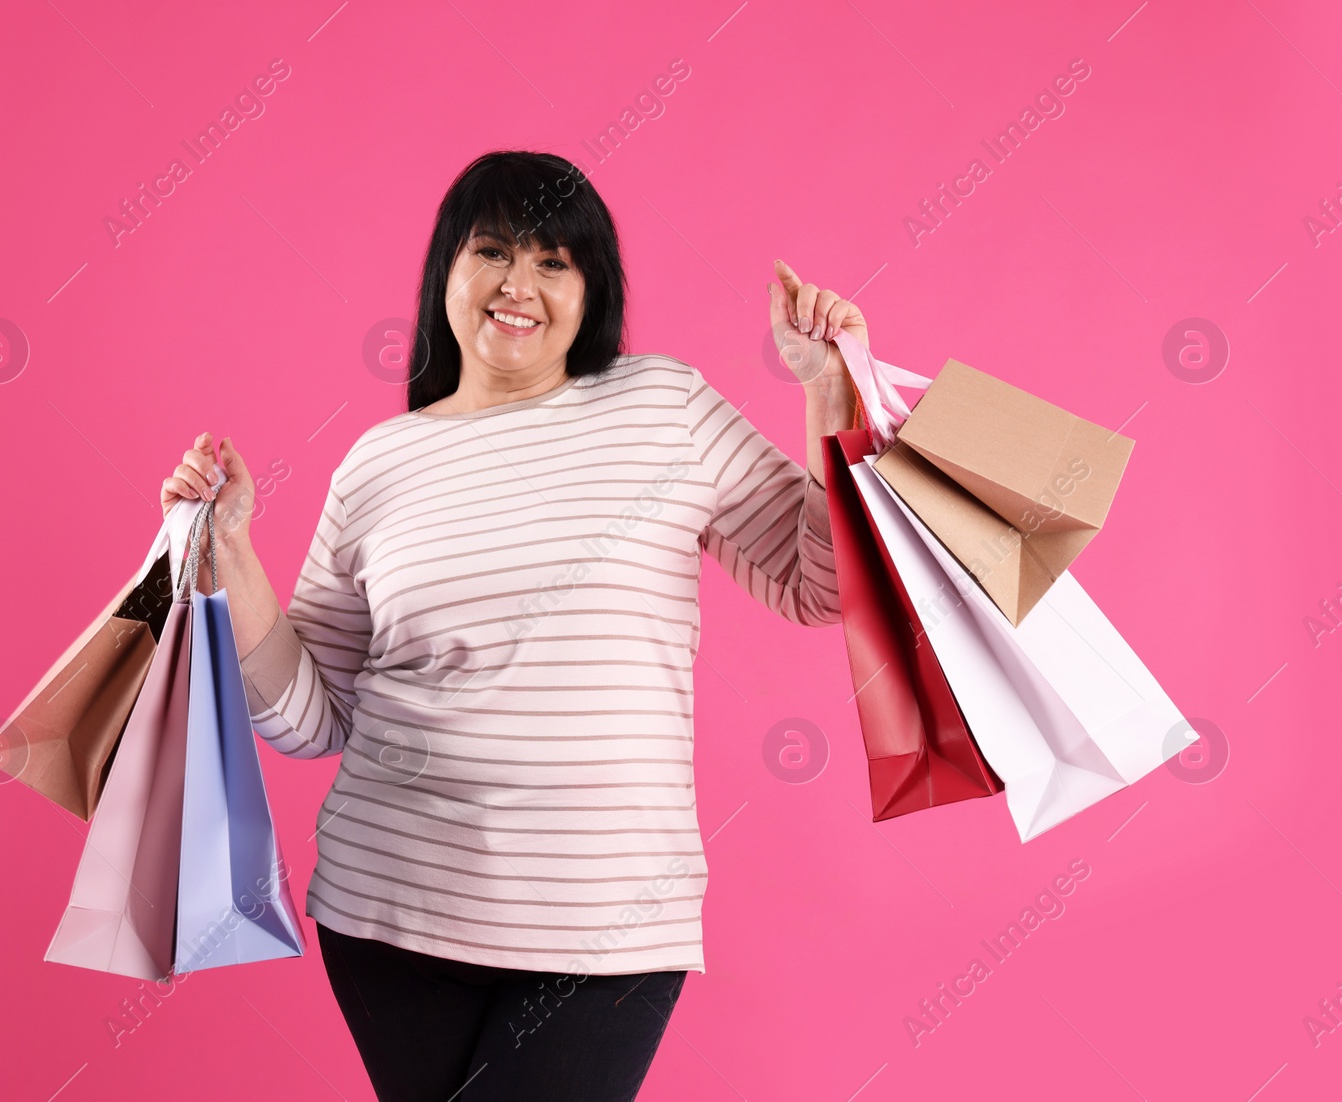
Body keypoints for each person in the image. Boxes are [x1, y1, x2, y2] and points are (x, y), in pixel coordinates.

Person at [162, 150, 863, 1102]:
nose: (517, 285)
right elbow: (312, 720)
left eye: (554, 262)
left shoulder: (663, 404)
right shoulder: (382, 462)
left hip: (605, 921)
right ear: (447, 269)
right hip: (388, 910)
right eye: (491, 251)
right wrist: (234, 553)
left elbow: (819, 582)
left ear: (591, 291)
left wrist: (826, 390)